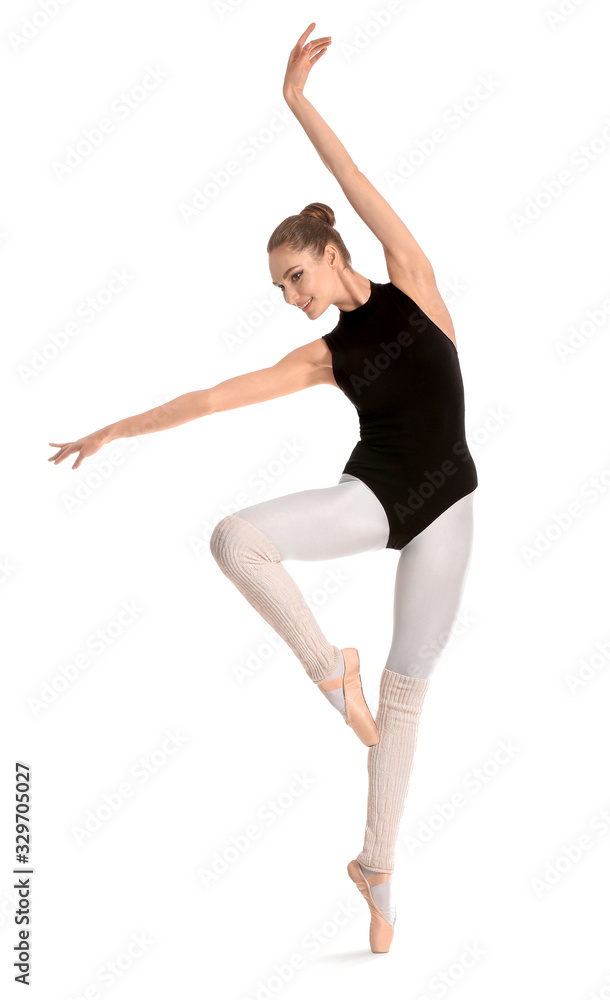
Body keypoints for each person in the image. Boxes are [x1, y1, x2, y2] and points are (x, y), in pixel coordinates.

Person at [48, 23, 478, 954]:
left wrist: (297, 102)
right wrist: (115, 429)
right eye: (281, 287)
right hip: (376, 494)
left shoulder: (414, 281)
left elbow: (357, 177)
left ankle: (377, 871)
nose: (290, 297)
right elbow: (212, 397)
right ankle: (332, 669)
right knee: (235, 537)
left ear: (329, 253)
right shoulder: (323, 355)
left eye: (294, 277)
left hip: (448, 503)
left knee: (409, 700)